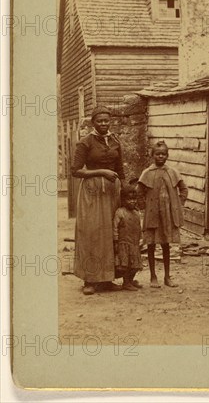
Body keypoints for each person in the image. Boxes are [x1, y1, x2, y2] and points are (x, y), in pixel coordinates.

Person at [71, 105, 124, 295]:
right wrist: (101, 172)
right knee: (92, 233)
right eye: (99, 120)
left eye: (106, 120)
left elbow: (120, 169)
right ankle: (90, 280)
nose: (103, 123)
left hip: (112, 192)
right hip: (92, 193)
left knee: (111, 233)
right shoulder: (85, 142)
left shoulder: (115, 140)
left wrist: (124, 190)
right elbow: (75, 171)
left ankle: (107, 279)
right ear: (93, 122)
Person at [137, 141, 188, 288]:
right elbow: (139, 192)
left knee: (166, 245)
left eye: (164, 154)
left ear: (167, 155)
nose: (161, 156)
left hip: (167, 215)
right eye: (158, 154)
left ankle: (167, 276)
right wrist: (143, 207)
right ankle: (153, 276)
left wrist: (178, 204)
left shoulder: (172, 172)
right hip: (152, 214)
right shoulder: (147, 173)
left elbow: (183, 189)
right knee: (151, 245)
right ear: (152, 155)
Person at [113, 185, 143, 291]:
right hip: (124, 244)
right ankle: (126, 282)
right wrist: (116, 241)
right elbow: (115, 227)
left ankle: (130, 280)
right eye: (129, 199)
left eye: (134, 199)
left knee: (135, 265)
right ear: (123, 200)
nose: (132, 202)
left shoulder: (136, 213)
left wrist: (141, 239)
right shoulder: (120, 212)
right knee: (126, 265)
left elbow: (139, 227)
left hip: (134, 243)